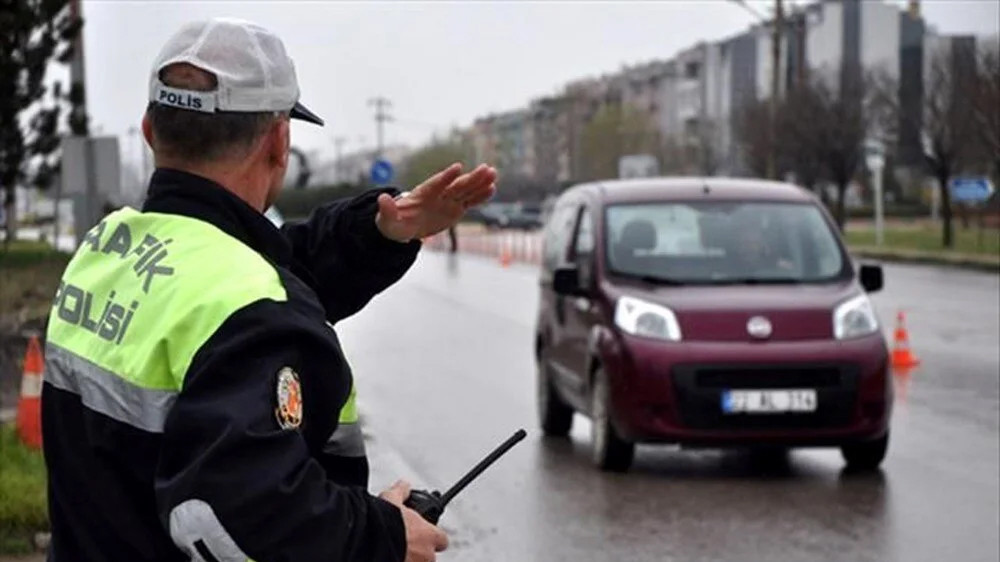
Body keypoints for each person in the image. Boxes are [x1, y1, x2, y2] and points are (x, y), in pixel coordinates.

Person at [41, 18, 496, 562]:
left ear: (148, 129)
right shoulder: (248, 304)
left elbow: (263, 272)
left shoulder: (107, 250)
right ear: (279, 141)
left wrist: (378, 231)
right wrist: (383, 536)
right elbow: (242, 513)